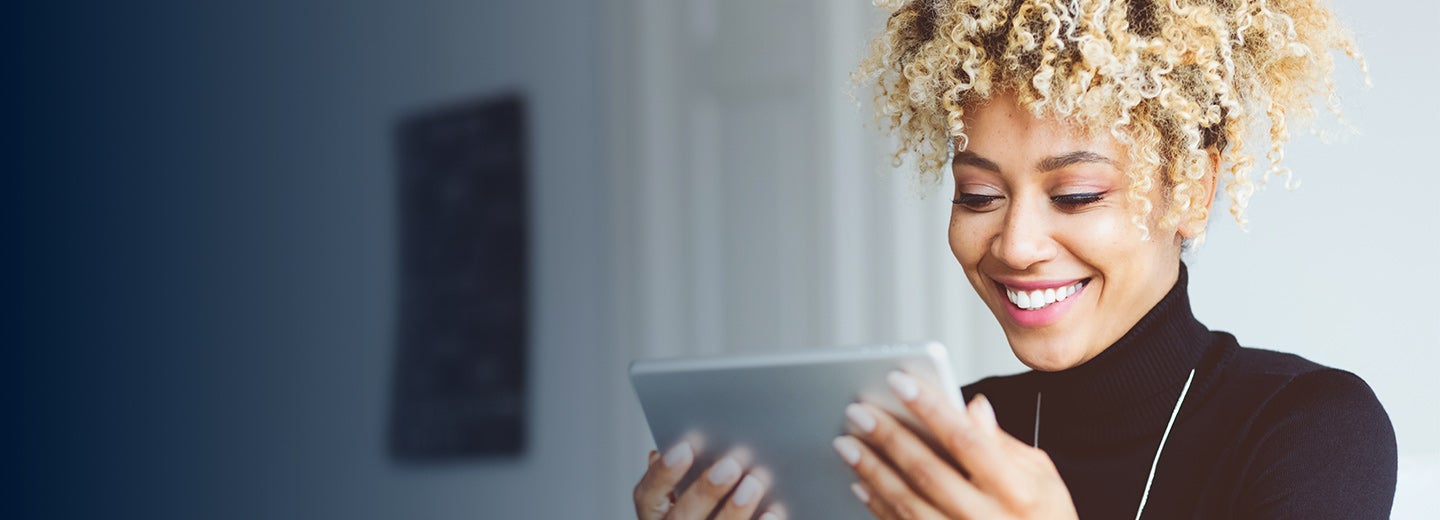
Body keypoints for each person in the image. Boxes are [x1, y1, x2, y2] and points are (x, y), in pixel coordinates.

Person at [632, 0, 1397, 518]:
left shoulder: (1310, 431)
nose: (1017, 246)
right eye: (979, 196)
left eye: (1076, 195)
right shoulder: (931, 446)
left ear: (1191, 191)